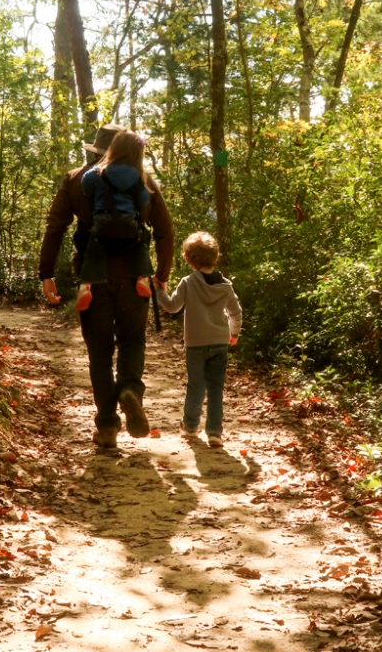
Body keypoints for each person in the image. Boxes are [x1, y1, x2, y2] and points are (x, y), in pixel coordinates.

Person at [39, 124, 174, 449]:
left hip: (93, 277)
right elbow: (165, 231)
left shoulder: (77, 180)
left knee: (99, 353)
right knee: (132, 340)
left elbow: (56, 226)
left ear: (97, 150)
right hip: (135, 277)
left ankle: (108, 427)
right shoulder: (143, 180)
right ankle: (130, 387)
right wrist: (163, 275)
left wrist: (46, 273)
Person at [152, 231, 242, 448]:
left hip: (195, 344)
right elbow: (236, 312)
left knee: (196, 386)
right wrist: (234, 333)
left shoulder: (188, 282)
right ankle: (214, 433)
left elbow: (172, 306)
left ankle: (191, 426)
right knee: (215, 388)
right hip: (220, 342)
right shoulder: (226, 286)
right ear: (215, 257)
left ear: (190, 260)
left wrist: (157, 291)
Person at [76, 130, 153, 311]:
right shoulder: (136, 175)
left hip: (102, 222)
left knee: (92, 252)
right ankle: (143, 279)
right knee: (140, 245)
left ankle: (85, 288)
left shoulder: (99, 171)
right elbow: (144, 200)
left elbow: (86, 183)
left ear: (113, 149)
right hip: (129, 224)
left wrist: (92, 191)